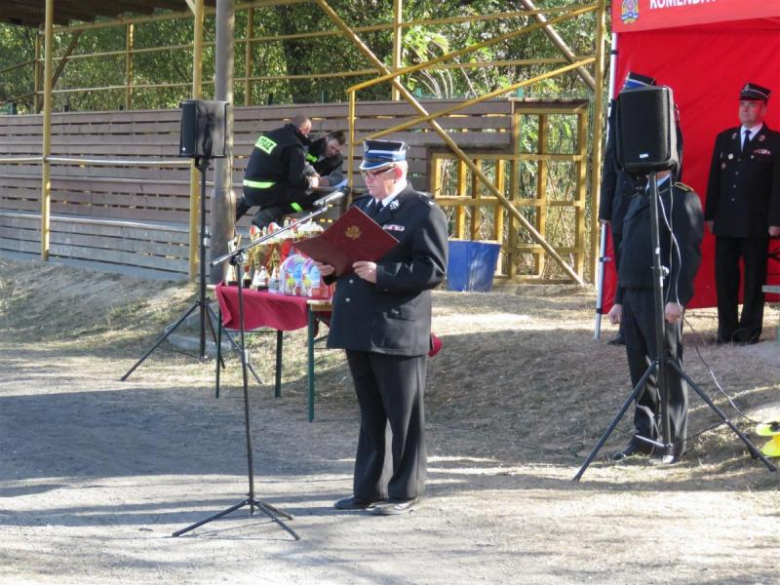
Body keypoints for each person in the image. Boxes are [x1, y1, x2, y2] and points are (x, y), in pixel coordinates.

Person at [315, 139, 449, 516]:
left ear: (398, 171)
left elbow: (433, 269)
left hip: (397, 327)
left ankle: (405, 491)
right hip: (358, 323)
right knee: (370, 414)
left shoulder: (422, 211)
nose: (368, 181)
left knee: (404, 415)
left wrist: (383, 273)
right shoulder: (362, 208)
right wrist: (332, 268)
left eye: (375, 174)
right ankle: (368, 488)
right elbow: (348, 258)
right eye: (365, 174)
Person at [608, 170, 704, 463]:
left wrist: (677, 297)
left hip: (660, 297)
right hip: (633, 294)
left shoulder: (681, 197)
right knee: (641, 371)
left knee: (668, 371)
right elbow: (626, 253)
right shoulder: (638, 197)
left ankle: (674, 443)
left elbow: (686, 253)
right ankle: (644, 439)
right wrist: (619, 300)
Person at [705, 82, 780, 344]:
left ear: (764, 109)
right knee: (725, 277)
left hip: (756, 222)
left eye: (752, 105)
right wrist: (710, 214)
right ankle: (726, 329)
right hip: (726, 220)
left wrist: (775, 221)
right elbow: (715, 178)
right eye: (742, 105)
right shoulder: (725, 138)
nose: (745, 109)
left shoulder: (774, 141)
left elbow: (777, 186)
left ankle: (748, 330)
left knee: (753, 280)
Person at [600, 72, 657, 346]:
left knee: (640, 266)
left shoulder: (658, 120)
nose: (625, 97)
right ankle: (626, 327)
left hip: (645, 205)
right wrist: (604, 209)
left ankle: (640, 324)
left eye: (630, 92)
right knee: (624, 265)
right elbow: (610, 165)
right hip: (622, 205)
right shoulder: (619, 119)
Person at [236, 114, 320, 228]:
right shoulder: (294, 145)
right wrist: (311, 182)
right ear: (303, 130)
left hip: (248, 189)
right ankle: (267, 214)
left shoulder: (270, 135)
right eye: (307, 132)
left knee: (281, 191)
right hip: (267, 190)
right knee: (309, 200)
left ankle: (224, 227)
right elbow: (296, 179)